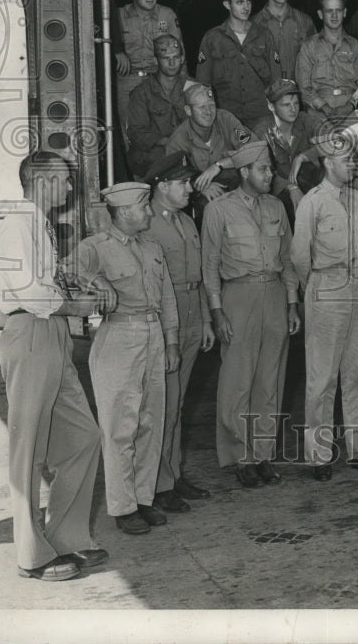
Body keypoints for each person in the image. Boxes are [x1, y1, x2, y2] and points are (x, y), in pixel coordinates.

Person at [0, 152, 109, 581]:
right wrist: (76, 303)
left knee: (83, 436)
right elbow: (27, 291)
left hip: (53, 333)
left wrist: (75, 281)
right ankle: (32, 557)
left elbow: (45, 280)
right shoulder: (16, 223)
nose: (68, 189)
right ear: (40, 181)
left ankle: (65, 537)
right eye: (62, 180)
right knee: (29, 450)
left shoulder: (37, 224)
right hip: (30, 333)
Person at [73, 182, 180, 535]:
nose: (149, 212)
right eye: (144, 206)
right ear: (122, 212)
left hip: (153, 336)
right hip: (118, 337)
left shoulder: (152, 246)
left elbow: (166, 298)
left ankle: (144, 498)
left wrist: (172, 340)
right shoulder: (95, 247)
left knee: (152, 421)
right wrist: (96, 280)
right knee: (121, 427)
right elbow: (66, 269)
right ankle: (123, 507)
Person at [201, 141, 301, 488]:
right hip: (238, 296)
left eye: (271, 168)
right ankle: (240, 456)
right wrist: (216, 312)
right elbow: (210, 264)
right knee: (237, 382)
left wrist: (291, 303)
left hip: (274, 293)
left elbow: (287, 259)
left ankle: (262, 455)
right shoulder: (220, 210)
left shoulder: (276, 206)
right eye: (263, 169)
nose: (269, 175)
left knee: (270, 381)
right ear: (244, 172)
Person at [290, 133, 358, 481]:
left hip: (357, 285)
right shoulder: (312, 203)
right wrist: (316, 287)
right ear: (328, 164)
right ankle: (319, 455)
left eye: (354, 159)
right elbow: (299, 257)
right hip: (326, 286)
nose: (353, 166)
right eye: (347, 160)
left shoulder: (357, 198)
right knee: (322, 377)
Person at [143, 152, 216, 511]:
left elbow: (197, 278)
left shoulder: (186, 222)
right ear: (162, 185)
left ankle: (172, 474)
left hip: (189, 315)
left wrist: (204, 320)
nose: (190, 188)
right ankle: (158, 484)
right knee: (163, 406)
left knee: (179, 403)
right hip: (163, 322)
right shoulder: (147, 225)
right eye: (184, 182)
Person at [196, 0, 281, 124]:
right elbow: (203, 83)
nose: (246, 7)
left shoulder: (264, 35)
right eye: (239, 2)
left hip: (261, 114)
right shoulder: (213, 38)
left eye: (248, 1)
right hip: (227, 116)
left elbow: (276, 78)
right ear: (227, 5)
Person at [165, 82, 256, 208]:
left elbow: (254, 151)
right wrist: (199, 187)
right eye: (201, 107)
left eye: (211, 105)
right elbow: (174, 179)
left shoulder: (226, 119)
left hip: (239, 182)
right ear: (188, 110)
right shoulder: (178, 141)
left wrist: (219, 165)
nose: (208, 112)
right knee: (211, 206)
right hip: (206, 194)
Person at [117, 0, 183, 136]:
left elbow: (180, 52)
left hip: (158, 81)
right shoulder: (119, 16)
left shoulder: (166, 15)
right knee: (129, 131)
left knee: (164, 130)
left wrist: (181, 85)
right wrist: (116, 52)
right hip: (128, 80)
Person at [251, 78, 323, 223]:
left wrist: (303, 157)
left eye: (296, 103)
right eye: (286, 105)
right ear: (271, 106)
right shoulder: (261, 131)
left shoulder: (305, 120)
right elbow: (259, 171)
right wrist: (291, 188)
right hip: (277, 190)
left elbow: (335, 141)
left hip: (309, 185)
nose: (293, 109)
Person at [295, 0, 358, 122]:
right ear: (320, 14)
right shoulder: (308, 47)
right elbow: (303, 85)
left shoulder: (357, 47)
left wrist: (349, 107)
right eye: (329, 11)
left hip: (351, 112)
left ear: (345, 13)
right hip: (317, 112)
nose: (334, 15)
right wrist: (324, 107)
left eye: (338, 10)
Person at [126, 34, 189, 177]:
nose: (172, 63)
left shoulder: (192, 88)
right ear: (156, 60)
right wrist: (164, 141)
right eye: (166, 59)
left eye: (176, 57)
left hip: (187, 148)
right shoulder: (141, 93)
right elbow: (136, 132)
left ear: (182, 59)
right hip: (156, 152)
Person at [251, 0, 317, 81]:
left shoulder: (305, 22)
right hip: (267, 96)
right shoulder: (253, 25)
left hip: (298, 95)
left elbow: (316, 62)